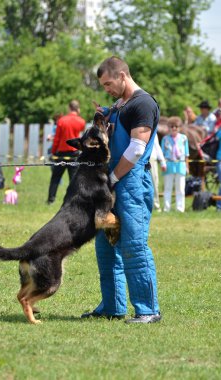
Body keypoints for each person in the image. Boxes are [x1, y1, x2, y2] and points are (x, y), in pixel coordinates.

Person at [81, 56, 161, 324]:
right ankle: (113, 306)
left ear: (123, 76)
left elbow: (137, 149)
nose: (107, 89)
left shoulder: (143, 104)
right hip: (112, 183)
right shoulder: (119, 105)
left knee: (133, 245)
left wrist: (113, 177)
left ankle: (148, 310)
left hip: (131, 183)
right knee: (105, 246)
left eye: (108, 84)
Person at [47, 100, 85, 204]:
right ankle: (73, 200)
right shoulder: (81, 121)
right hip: (74, 154)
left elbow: (57, 139)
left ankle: (51, 199)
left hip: (61, 154)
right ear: (78, 109)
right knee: (73, 179)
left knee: (55, 177)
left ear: (69, 108)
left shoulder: (61, 121)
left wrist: (54, 152)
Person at [161, 117, 189, 212]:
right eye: (172, 126)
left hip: (180, 164)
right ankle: (166, 208)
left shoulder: (184, 138)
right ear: (168, 127)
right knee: (168, 187)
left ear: (179, 127)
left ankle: (180, 208)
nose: (174, 128)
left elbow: (186, 155)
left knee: (180, 188)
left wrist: (187, 167)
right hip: (169, 164)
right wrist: (162, 164)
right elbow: (162, 154)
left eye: (176, 126)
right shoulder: (165, 139)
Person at [150, 133, 166, 211]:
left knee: (154, 183)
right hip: (139, 159)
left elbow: (157, 146)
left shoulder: (154, 132)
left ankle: (156, 205)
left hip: (152, 159)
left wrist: (162, 161)